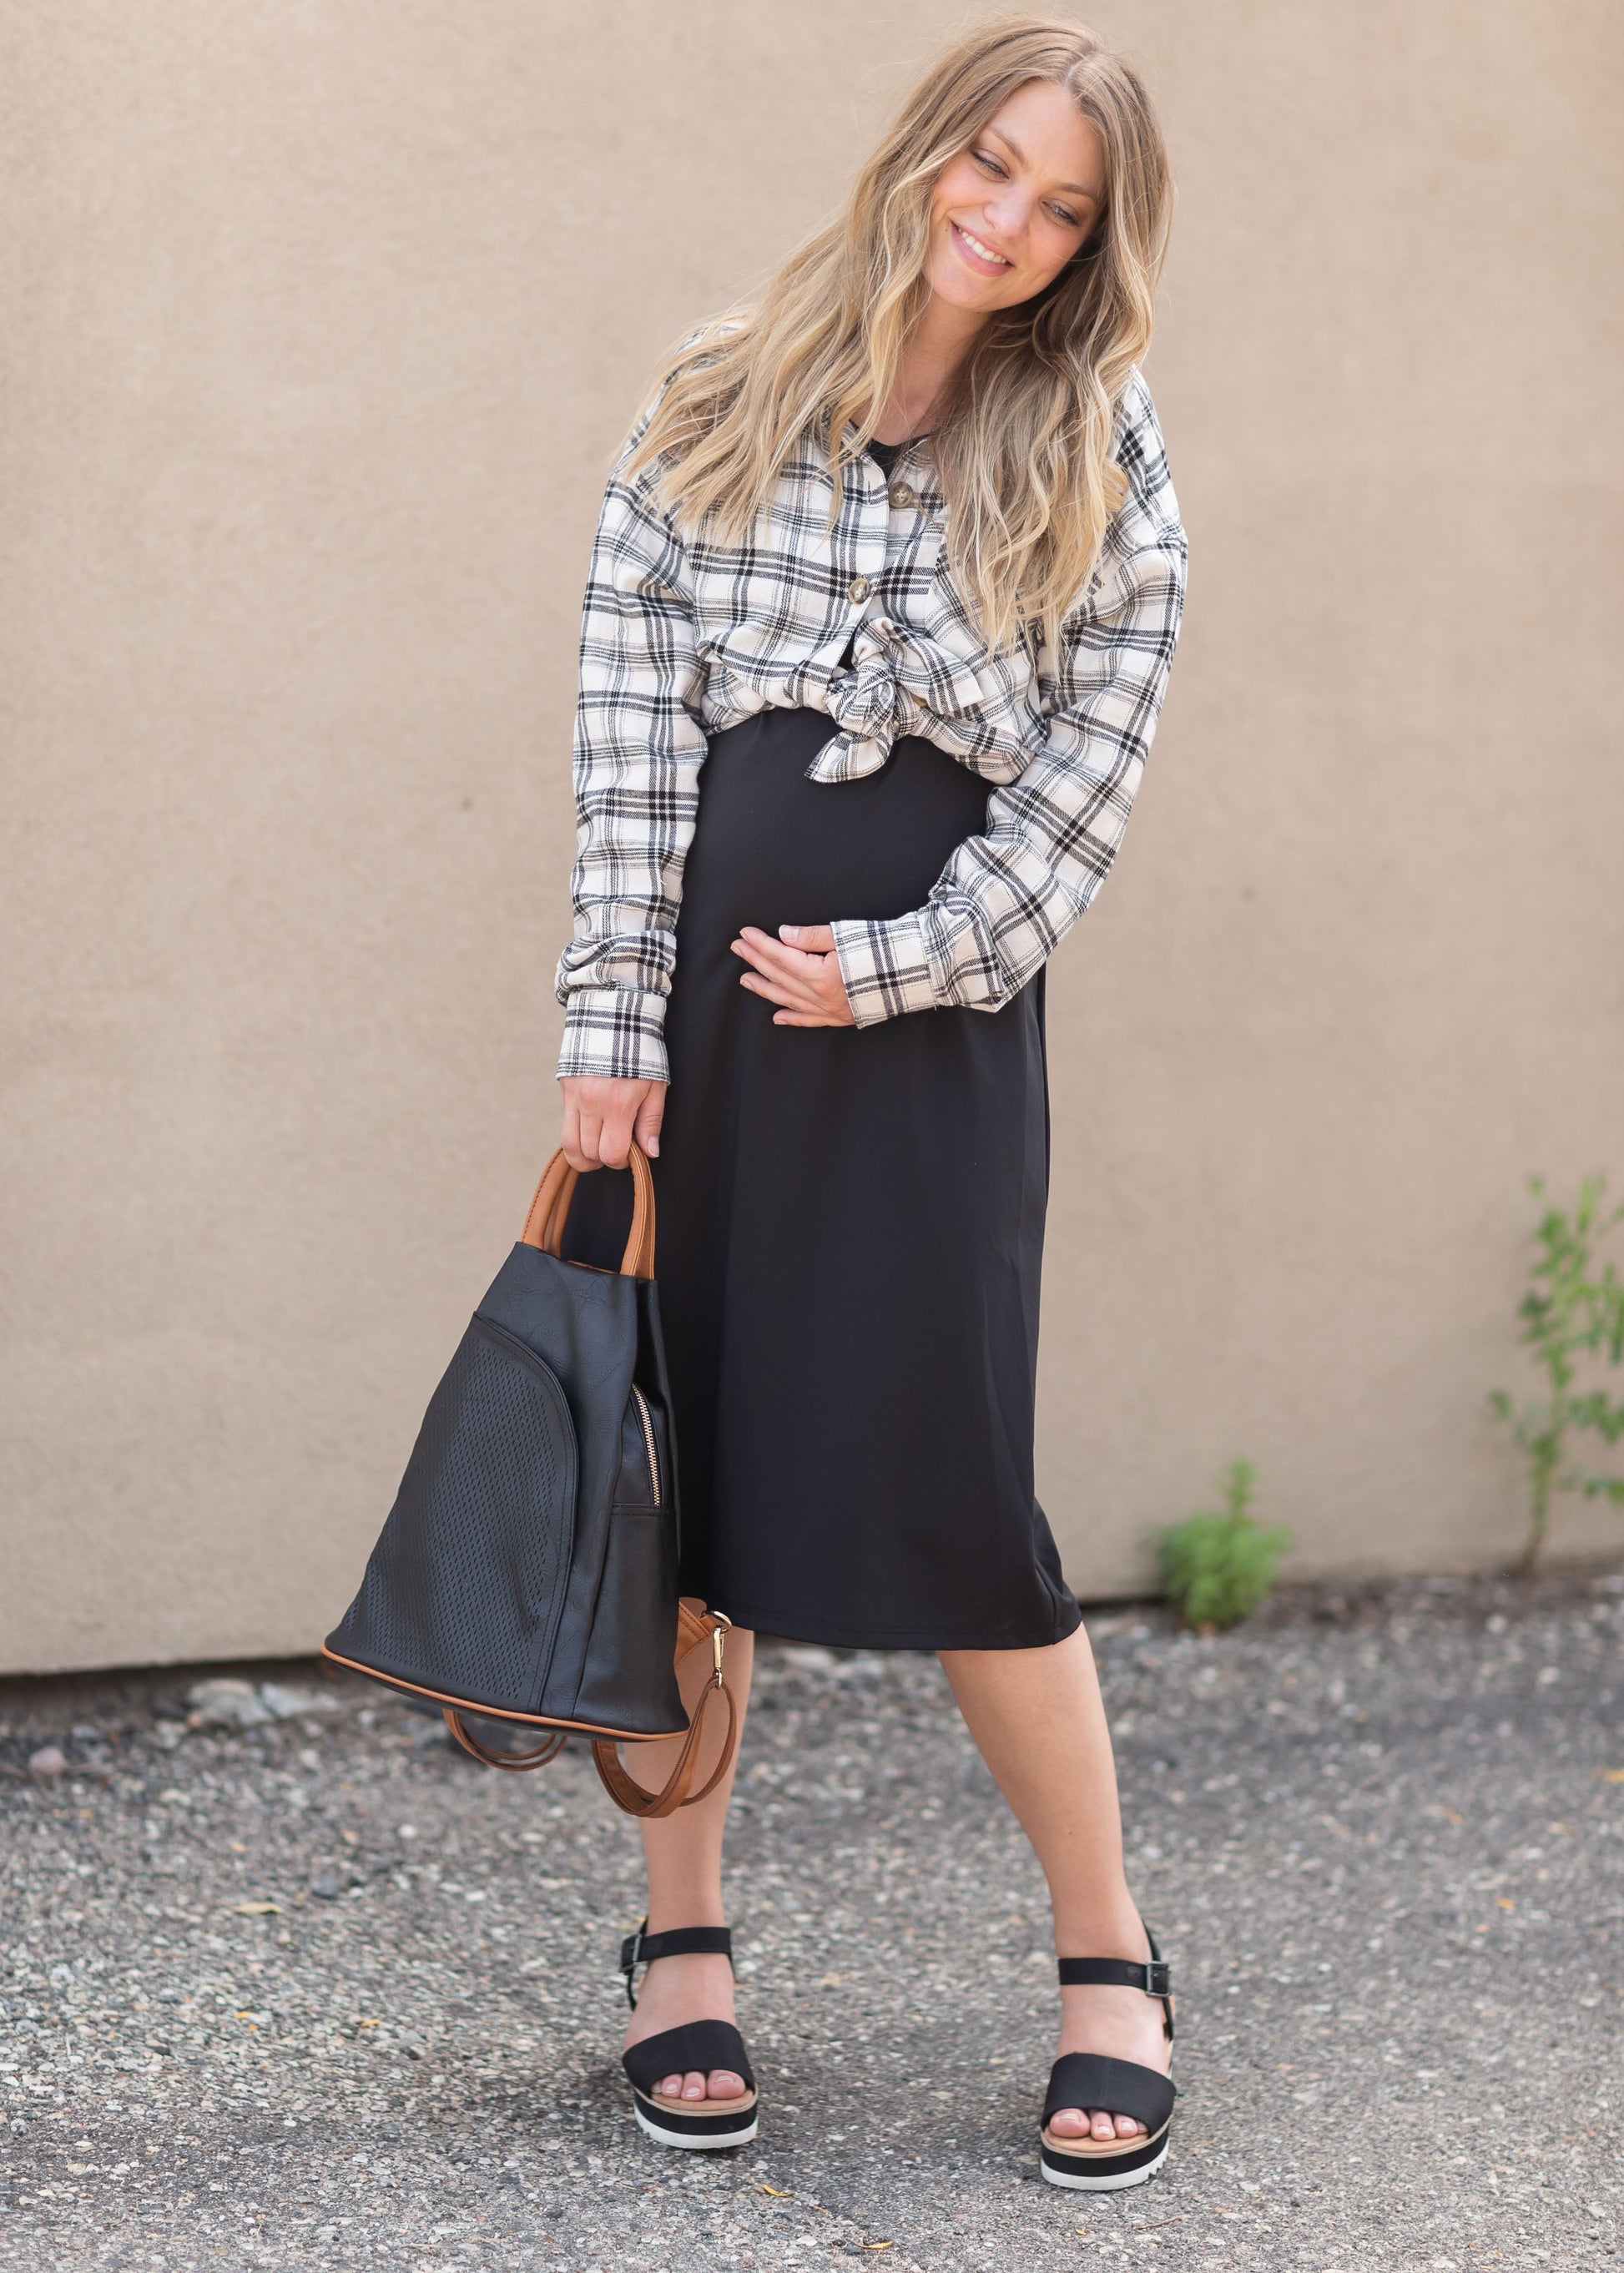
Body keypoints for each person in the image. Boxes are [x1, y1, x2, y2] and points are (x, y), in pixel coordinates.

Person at [552, 13, 1188, 2190]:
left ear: (1094, 243)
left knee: (961, 1497)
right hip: (706, 1028)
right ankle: (680, 1940)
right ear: (927, 150)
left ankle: (1109, 1954)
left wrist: (900, 962)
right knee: (696, 1475)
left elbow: (1090, 776)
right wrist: (609, 1025)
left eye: (1061, 206)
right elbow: (627, 724)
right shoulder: (719, 390)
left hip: (930, 1035)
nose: (1006, 221)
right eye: (989, 166)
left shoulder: (1099, 440)